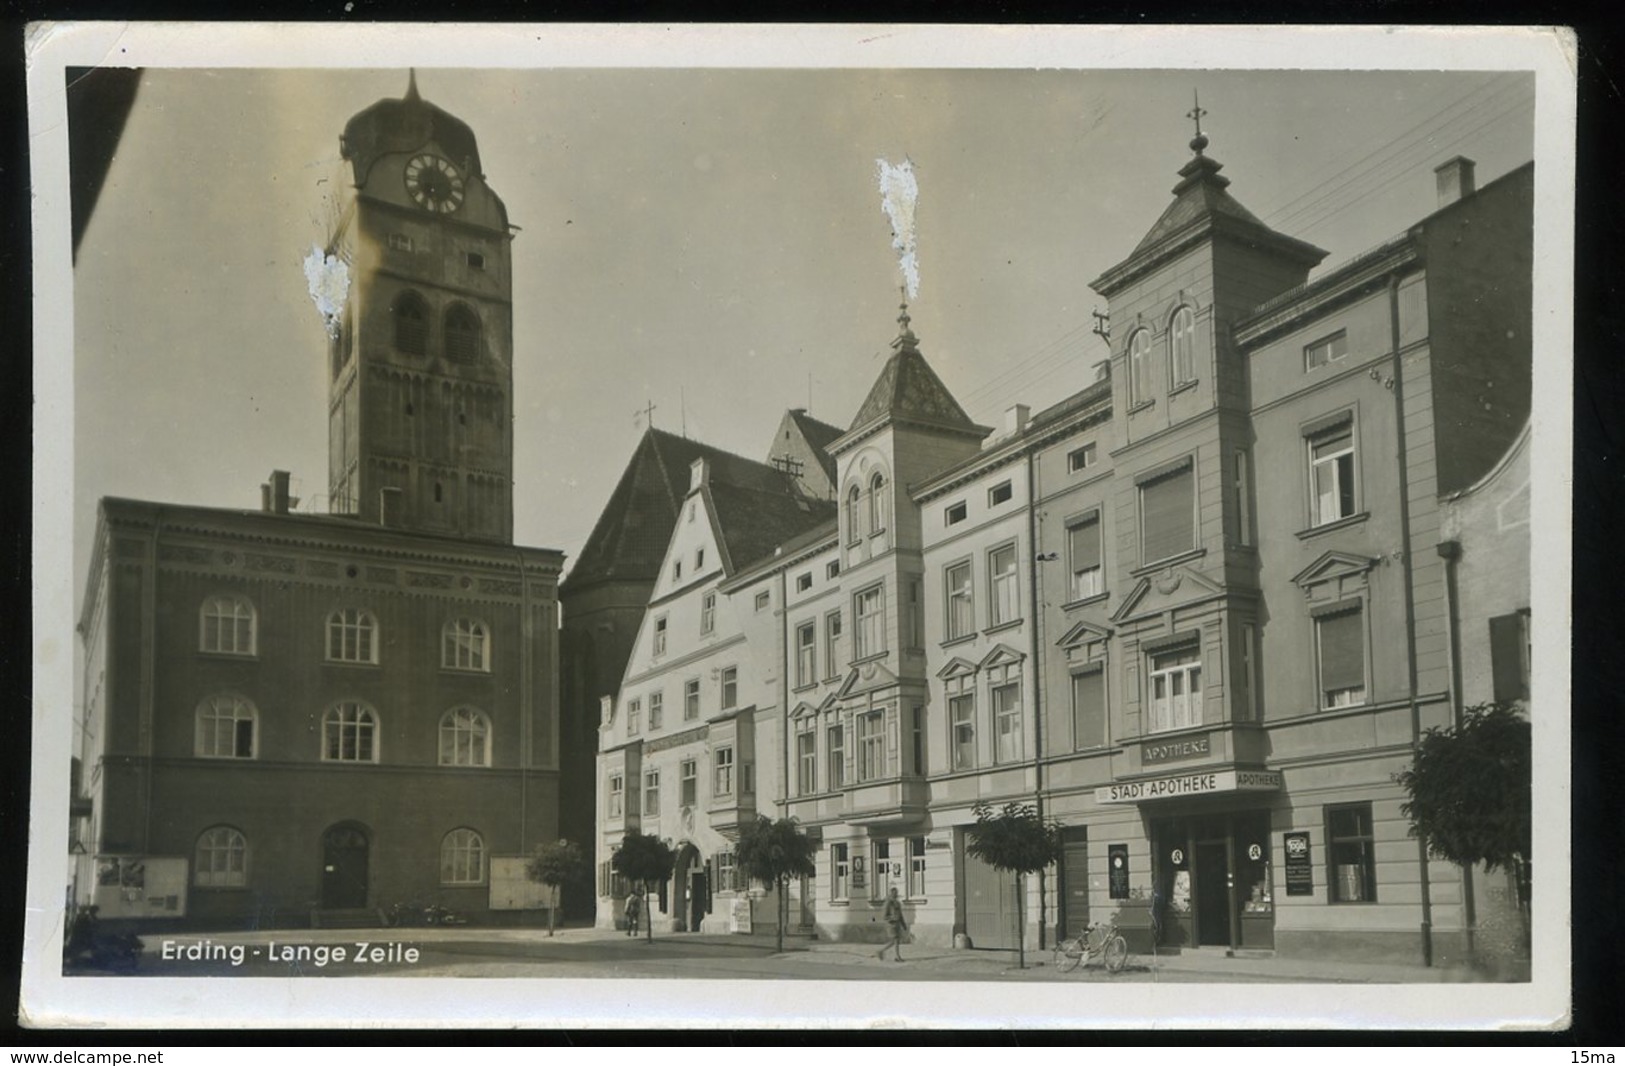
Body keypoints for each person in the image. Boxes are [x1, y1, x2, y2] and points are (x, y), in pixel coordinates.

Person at [876, 887, 907, 962]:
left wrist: (904, 924)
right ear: (891, 893)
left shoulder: (897, 903)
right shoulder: (888, 903)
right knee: (896, 940)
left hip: (897, 925)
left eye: (896, 893)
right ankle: (897, 956)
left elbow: (900, 915)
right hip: (891, 925)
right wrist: (892, 918)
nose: (896, 894)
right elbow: (884, 916)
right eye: (894, 893)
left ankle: (881, 951)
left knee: (895, 941)